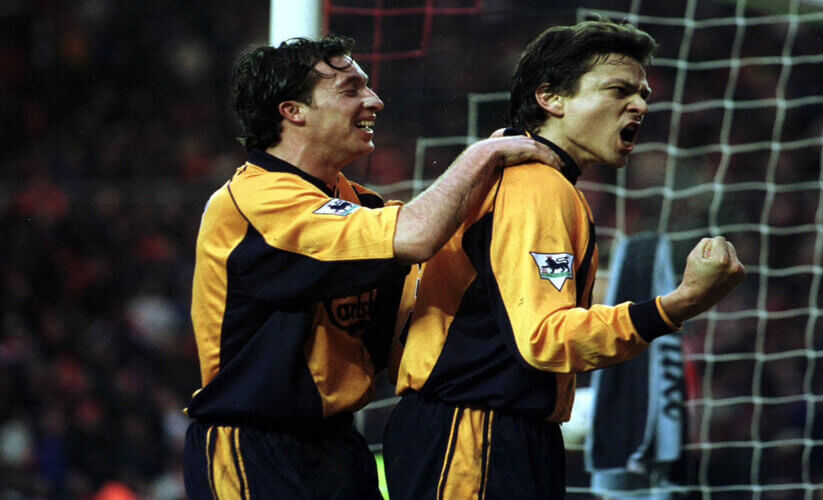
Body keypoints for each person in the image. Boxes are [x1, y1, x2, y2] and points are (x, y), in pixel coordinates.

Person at [181, 35, 561, 499]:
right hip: (253, 448)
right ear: (293, 111)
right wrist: (484, 155)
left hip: (337, 447)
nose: (375, 101)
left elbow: (432, 266)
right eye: (351, 89)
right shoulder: (255, 199)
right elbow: (417, 236)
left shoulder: (358, 202)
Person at [382, 18, 747, 500]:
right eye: (618, 90)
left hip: (476, 428)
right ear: (551, 98)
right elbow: (543, 339)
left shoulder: (514, 177)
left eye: (643, 95)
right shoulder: (536, 185)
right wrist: (679, 304)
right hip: (476, 435)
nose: (639, 105)